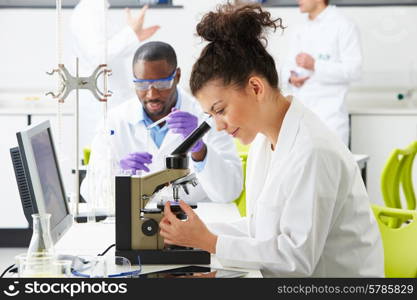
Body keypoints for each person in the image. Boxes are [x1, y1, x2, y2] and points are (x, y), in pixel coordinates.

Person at [159, 4, 384, 277]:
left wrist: (208, 241)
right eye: (210, 115)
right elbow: (260, 231)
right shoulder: (264, 141)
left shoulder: (311, 149)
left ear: (256, 88)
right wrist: (195, 237)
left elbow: (295, 261)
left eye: (220, 110)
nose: (217, 126)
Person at [81, 41, 243, 204]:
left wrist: (199, 148)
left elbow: (229, 192)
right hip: (136, 221)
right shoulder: (114, 122)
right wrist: (120, 175)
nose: (152, 94)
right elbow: (91, 194)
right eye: (142, 84)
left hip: (195, 222)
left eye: (161, 84)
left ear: (177, 76)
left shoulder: (207, 116)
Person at [70, 1, 160, 155]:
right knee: (104, 161)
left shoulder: (99, 9)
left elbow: (111, 51)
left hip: (111, 102)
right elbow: (97, 56)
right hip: (100, 106)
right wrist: (130, 34)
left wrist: (134, 37)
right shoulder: (87, 12)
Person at [282, 0, 362, 146]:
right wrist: (290, 77)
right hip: (300, 120)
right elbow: (288, 64)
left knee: (330, 167)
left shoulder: (343, 25)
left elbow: (354, 70)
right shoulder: (299, 27)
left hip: (330, 121)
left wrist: (315, 65)